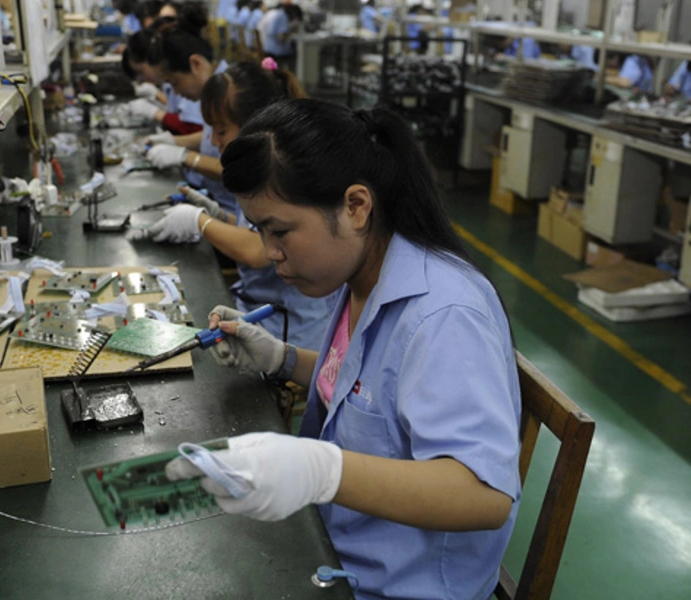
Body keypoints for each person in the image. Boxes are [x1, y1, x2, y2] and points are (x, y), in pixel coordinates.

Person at [166, 99, 521, 599]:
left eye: (280, 230)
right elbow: (369, 388)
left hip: (400, 586)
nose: (269, 251)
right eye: (259, 230)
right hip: (341, 549)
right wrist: (282, 358)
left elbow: (483, 496)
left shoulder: (445, 316)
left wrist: (321, 471)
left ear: (356, 207)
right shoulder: (364, 277)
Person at [146, 60, 336, 349]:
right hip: (256, 309)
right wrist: (217, 214)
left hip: (288, 331)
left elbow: (259, 251)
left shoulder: (279, 174)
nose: (212, 140)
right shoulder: (256, 171)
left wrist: (200, 222)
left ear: (254, 125)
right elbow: (260, 231)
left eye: (221, 131)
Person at [145, 17, 235, 211]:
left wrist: (185, 156)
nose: (175, 92)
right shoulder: (215, 90)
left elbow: (242, 168)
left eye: (175, 82)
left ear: (195, 64)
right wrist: (172, 142)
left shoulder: (232, 93)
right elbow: (211, 137)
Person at [122, 23, 205, 136]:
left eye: (141, 72)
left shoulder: (185, 79)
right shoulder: (179, 80)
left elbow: (194, 126)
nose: (143, 79)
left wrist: (155, 112)